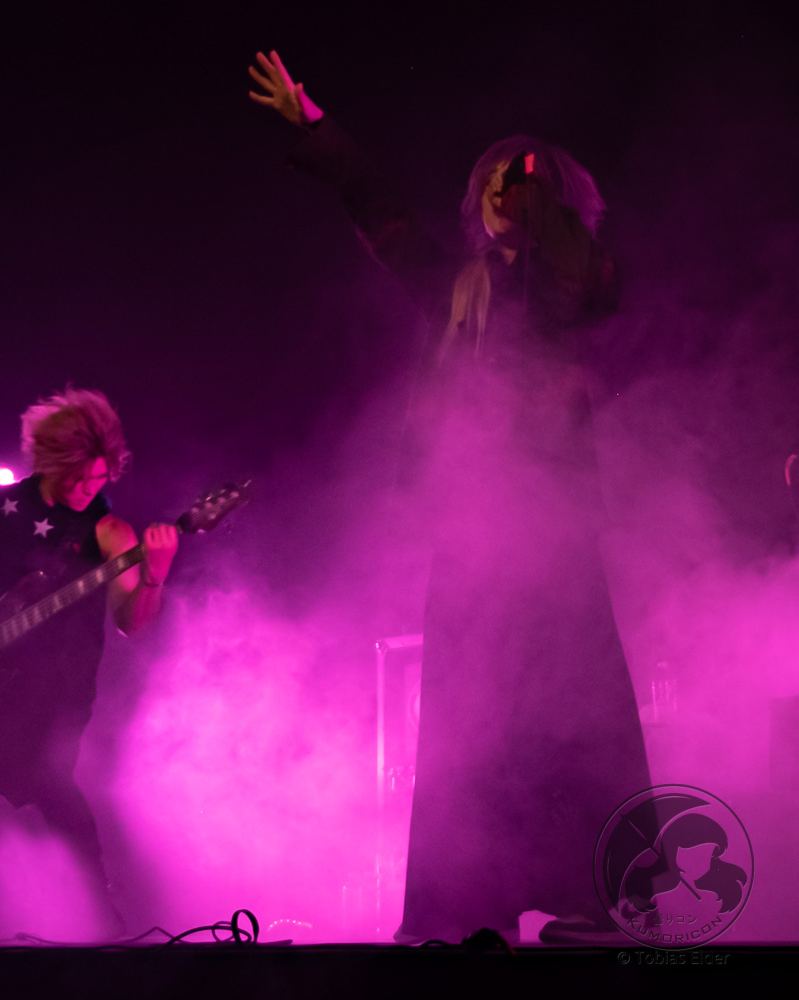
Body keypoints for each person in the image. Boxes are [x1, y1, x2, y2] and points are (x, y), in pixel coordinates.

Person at [250, 51, 651, 941]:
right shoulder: (455, 284)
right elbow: (382, 211)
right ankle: (466, 905)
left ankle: (603, 898)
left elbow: (589, 285)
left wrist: (542, 201)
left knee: (577, 709)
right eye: (496, 183)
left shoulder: (574, 277)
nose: (506, 192)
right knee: (473, 717)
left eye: (522, 183)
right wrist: (316, 126)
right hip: (472, 536)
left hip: (555, 533)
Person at [0, 387, 178, 939]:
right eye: (78, 477)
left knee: (51, 787)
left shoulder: (110, 533)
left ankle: (102, 918)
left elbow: (132, 622)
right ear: (50, 463)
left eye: (100, 478)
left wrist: (154, 575)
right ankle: (20, 903)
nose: (89, 488)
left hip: (56, 696)